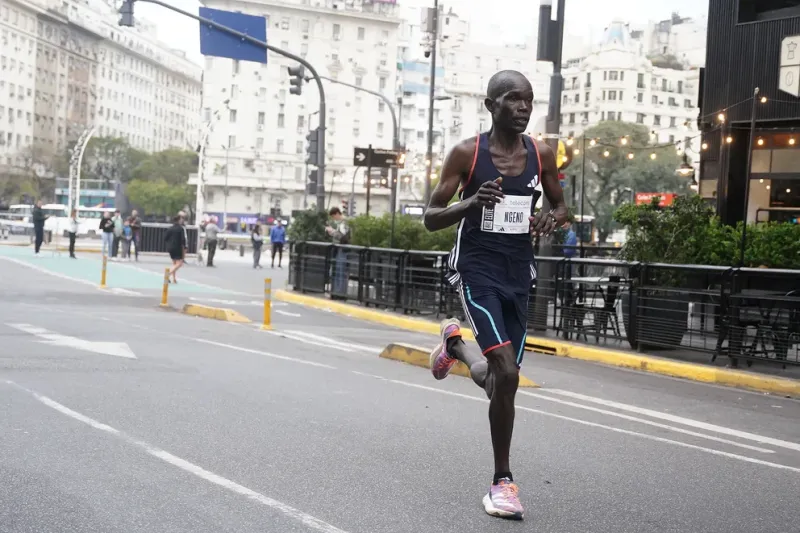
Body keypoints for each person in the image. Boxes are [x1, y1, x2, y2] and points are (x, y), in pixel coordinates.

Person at [423, 70, 567, 521]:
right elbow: (430, 217)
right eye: (513, 100)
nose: (523, 108)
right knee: (506, 373)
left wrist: (551, 218)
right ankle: (502, 483)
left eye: (528, 101)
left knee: (503, 380)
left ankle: (455, 345)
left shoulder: (541, 154)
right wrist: (471, 202)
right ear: (491, 105)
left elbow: (561, 206)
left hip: (516, 274)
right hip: (475, 271)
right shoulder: (467, 153)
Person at [326, 207, 350, 297]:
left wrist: (332, 232)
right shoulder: (341, 223)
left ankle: (339, 293)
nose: (333, 219)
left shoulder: (344, 223)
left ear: (337, 214)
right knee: (338, 271)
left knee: (340, 272)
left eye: (333, 216)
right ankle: (338, 292)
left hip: (342, 250)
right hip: (339, 250)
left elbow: (344, 238)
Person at [164, 215, 186, 283]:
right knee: (179, 263)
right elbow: (183, 240)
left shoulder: (170, 228)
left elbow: (165, 238)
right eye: (181, 219)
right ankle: (167, 275)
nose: (182, 220)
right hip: (177, 247)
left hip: (170, 247)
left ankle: (174, 279)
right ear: (179, 220)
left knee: (174, 263)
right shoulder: (180, 228)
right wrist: (184, 247)